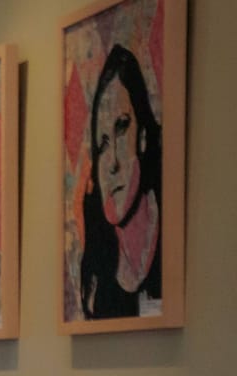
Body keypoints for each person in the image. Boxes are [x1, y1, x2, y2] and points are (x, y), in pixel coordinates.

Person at [79, 44, 162, 319]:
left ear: (142, 137)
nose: (112, 162)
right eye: (102, 145)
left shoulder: (169, 243)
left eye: (122, 127)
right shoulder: (98, 277)